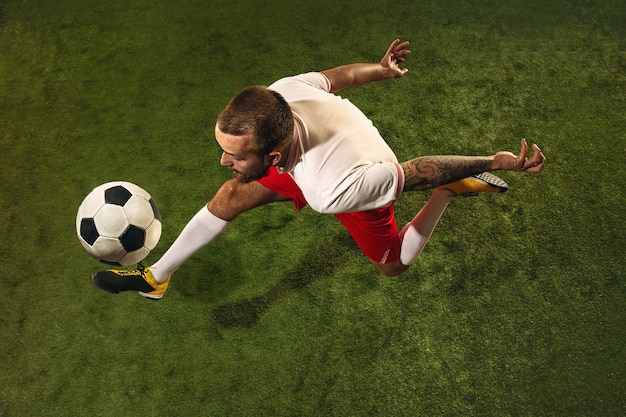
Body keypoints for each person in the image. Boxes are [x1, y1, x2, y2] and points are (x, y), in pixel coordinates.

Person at [92, 39, 546, 300]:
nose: (223, 162)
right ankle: (157, 278)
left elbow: (420, 169)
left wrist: (491, 161)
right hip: (307, 162)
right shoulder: (282, 95)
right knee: (231, 195)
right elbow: (339, 77)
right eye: (223, 148)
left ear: (271, 158)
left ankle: (453, 193)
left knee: (392, 265)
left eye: (235, 155)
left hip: (360, 181)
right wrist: (382, 70)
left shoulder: (336, 191)